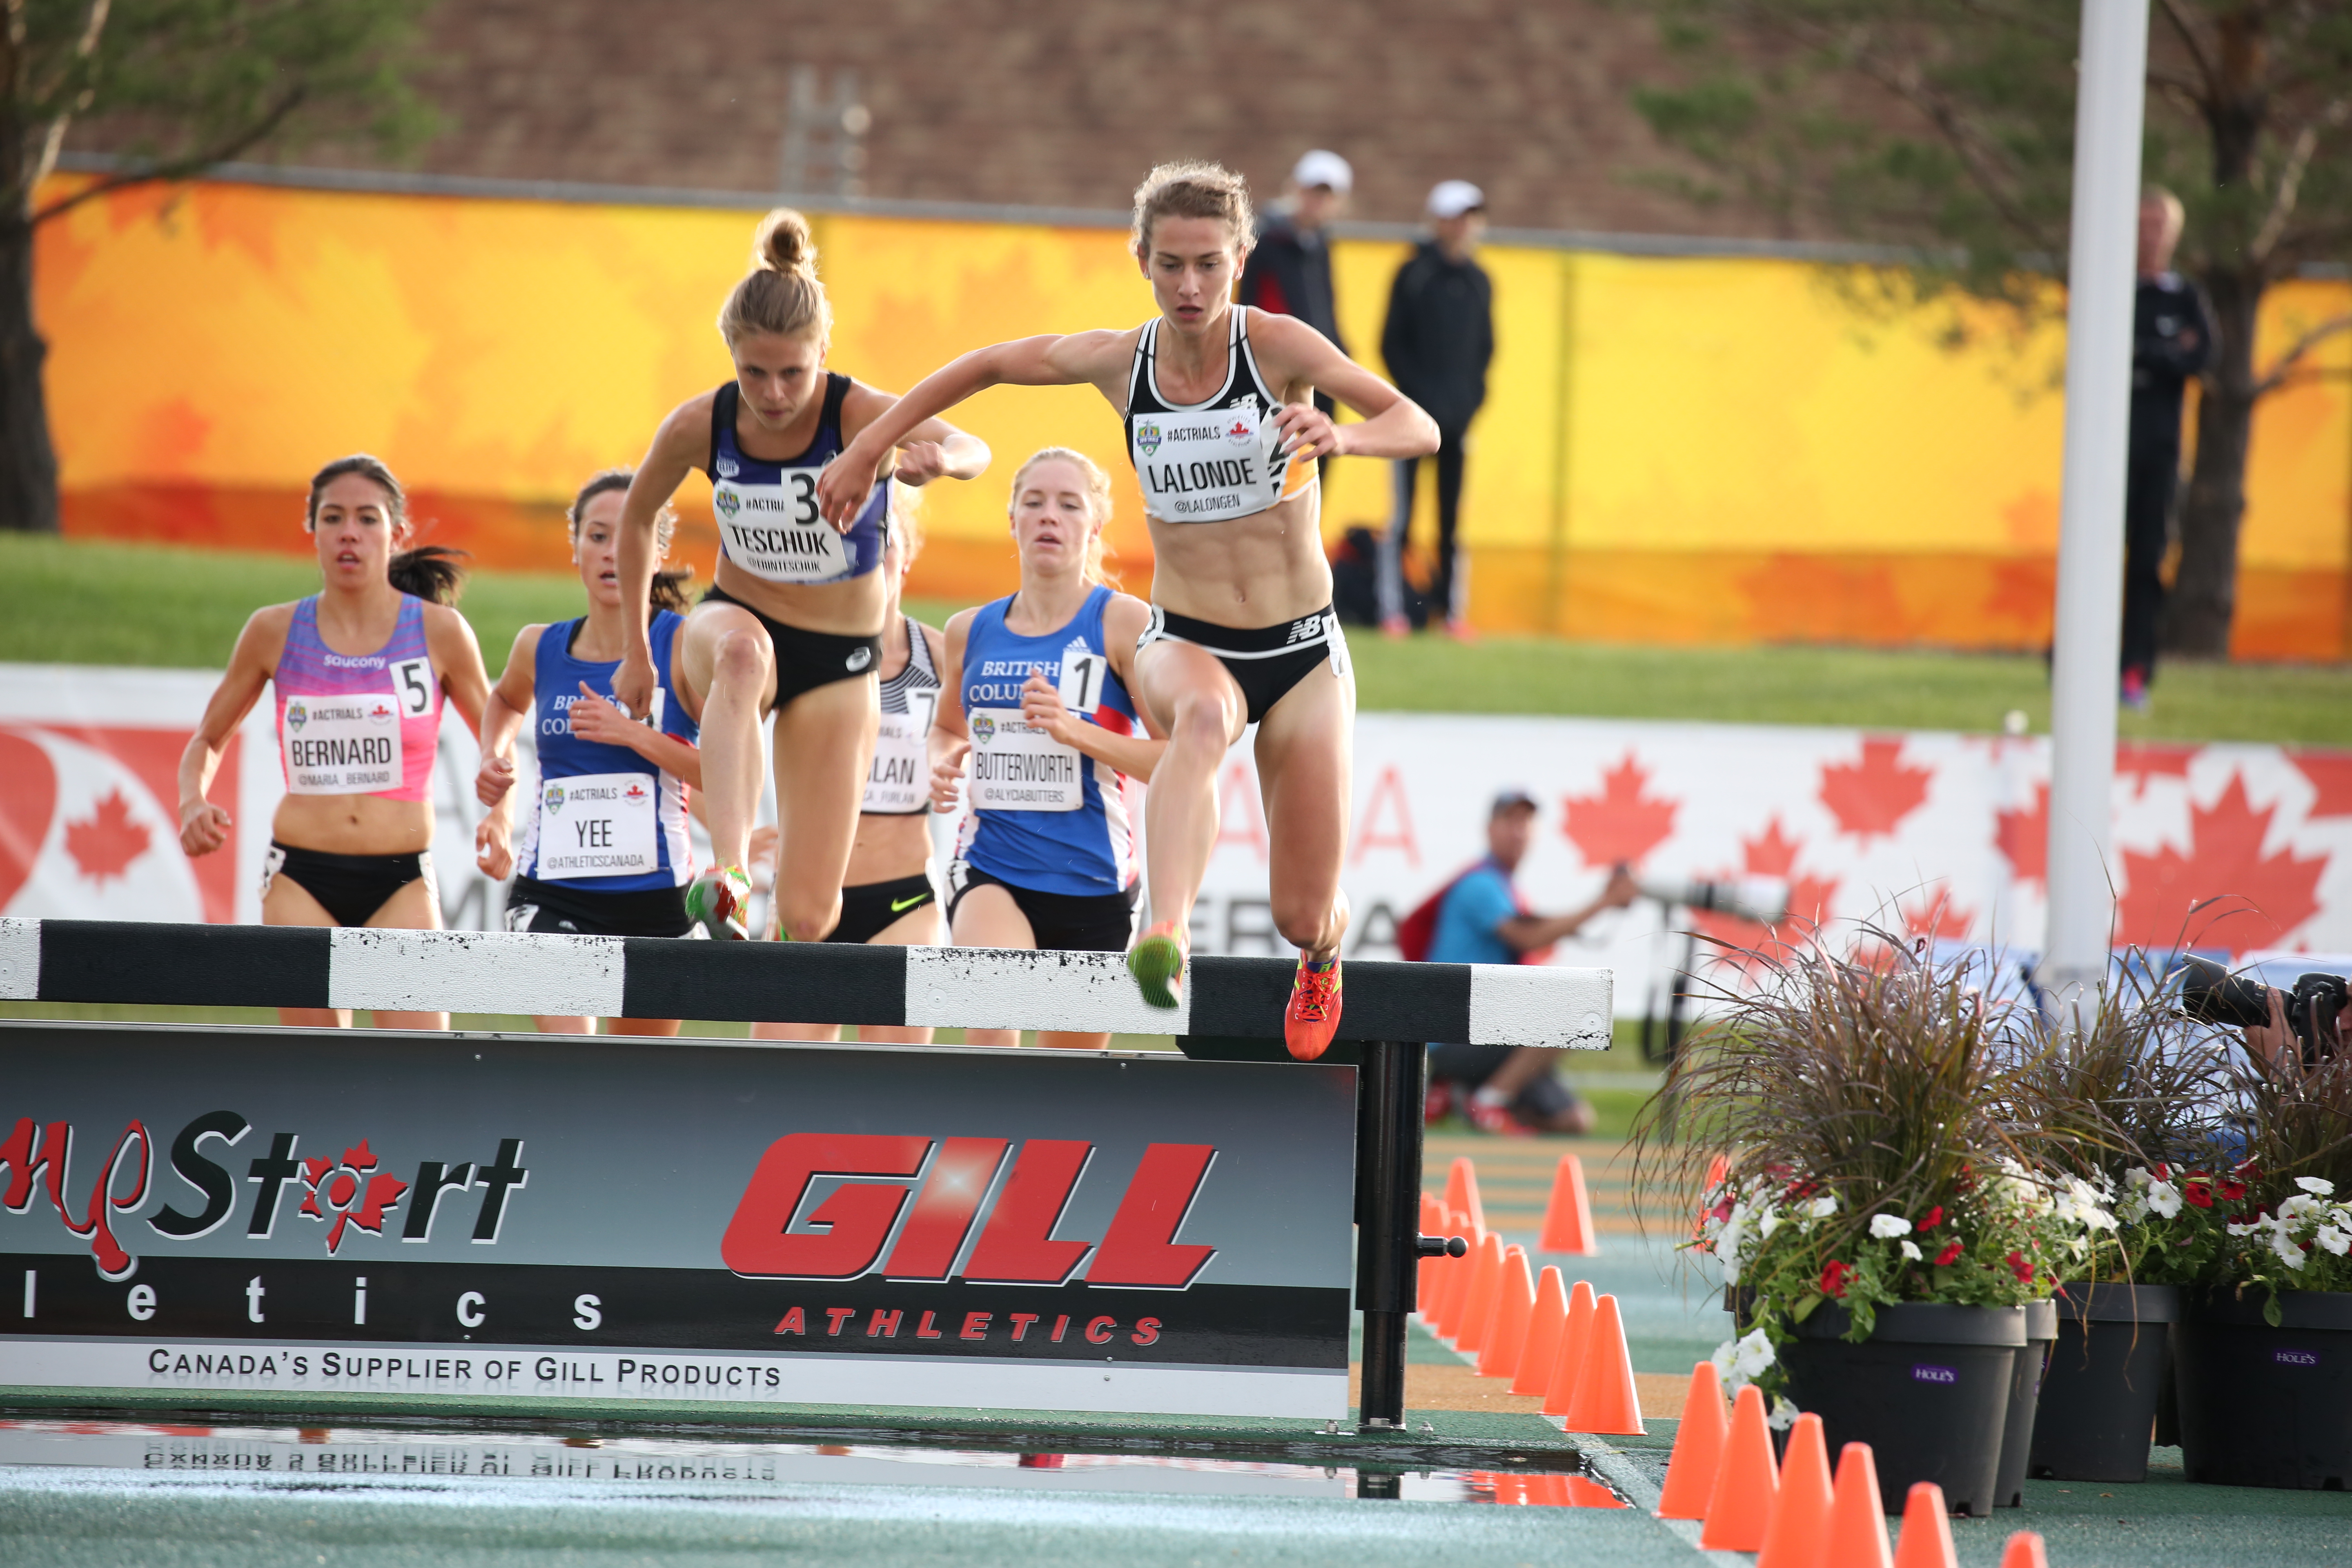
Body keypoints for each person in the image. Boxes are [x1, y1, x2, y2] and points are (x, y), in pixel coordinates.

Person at [817, 162, 1439, 1061]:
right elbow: (988, 364)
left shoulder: (1278, 348)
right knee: (1199, 721)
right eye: (1172, 266)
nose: (1191, 287)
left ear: (1241, 261)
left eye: (1210, 266)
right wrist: (871, 443)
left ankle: (1324, 951)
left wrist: (1344, 434)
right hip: (1188, 638)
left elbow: (1417, 424)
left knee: (1301, 909)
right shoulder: (1123, 363)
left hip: (1300, 649)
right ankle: (1170, 934)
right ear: (1142, 259)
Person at [608, 207, 989, 949]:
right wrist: (635, 649)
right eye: (754, 372)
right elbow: (635, 517)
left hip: (841, 657)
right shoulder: (701, 424)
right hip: (737, 622)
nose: (775, 394)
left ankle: (783, 981)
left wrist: (940, 459)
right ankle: (726, 877)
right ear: (731, 355)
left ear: (824, 354)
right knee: (745, 656)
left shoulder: (860, 413)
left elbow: (974, 445)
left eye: (793, 373)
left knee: (814, 919)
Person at [177, 455, 492, 1031]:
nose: (349, 532)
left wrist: (501, 811)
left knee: (421, 1067)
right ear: (313, 531)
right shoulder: (273, 631)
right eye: (333, 517)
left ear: (396, 535)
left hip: (400, 879)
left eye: (368, 519)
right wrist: (192, 801)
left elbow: (498, 734)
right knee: (316, 1070)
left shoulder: (440, 633)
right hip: (301, 877)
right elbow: (208, 738)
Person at [929, 449, 1164, 1050]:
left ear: (1096, 525)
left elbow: (1181, 760)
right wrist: (940, 760)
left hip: (1096, 885)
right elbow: (949, 729)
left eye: (1068, 505)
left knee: (1067, 1096)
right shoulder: (970, 631)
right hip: (992, 866)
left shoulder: (1123, 624)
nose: (1048, 518)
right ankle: (979, 1141)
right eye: (1033, 503)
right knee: (996, 1017)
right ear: (1012, 520)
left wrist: (1076, 731)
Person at [472, 469, 704, 1036]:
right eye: (598, 536)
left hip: (659, 900)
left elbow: (723, 775)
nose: (612, 553)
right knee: (572, 1066)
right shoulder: (540, 646)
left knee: (640, 1088)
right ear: (574, 546)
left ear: (659, 549)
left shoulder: (687, 646)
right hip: (554, 892)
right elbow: (504, 700)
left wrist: (633, 735)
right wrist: (493, 755)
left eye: (630, 536)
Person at [757, 485, 947, 1045]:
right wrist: (733, 839)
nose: (868, 557)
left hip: (904, 900)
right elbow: (720, 739)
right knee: (773, 1091)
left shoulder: (942, 657)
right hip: (807, 901)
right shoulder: (799, 655)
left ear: (905, 555)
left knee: (894, 1103)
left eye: (881, 542)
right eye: (852, 544)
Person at [1421, 789, 1637, 1134]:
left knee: (1574, 1122)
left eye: (1525, 823)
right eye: (1509, 820)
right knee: (1575, 1009)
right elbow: (1528, 936)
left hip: (1488, 1031)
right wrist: (1605, 902)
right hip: (1458, 1034)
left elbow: (1537, 927)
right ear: (1489, 828)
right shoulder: (1481, 883)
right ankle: (1488, 1102)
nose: (1517, 831)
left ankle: (1468, 1094)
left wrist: (1604, 903)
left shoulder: (1504, 887)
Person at [1378, 180, 1494, 641]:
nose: (1464, 227)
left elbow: (1486, 350)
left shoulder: (1480, 280)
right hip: (1413, 422)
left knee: (1451, 518)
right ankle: (1394, 612)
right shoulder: (1413, 274)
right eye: (1456, 217)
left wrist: (1469, 403)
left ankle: (1451, 612)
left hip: (1459, 422)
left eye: (1471, 217)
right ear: (1438, 221)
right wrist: (1417, 403)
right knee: (1403, 516)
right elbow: (1393, 346)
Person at [2121, 186, 2214, 710]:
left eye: (2160, 226)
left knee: (2148, 560)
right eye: (2143, 224)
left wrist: (2145, 355)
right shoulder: (2112, 289)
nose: (2151, 235)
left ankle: (2135, 671)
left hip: (2160, 449)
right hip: (2109, 449)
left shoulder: (2185, 299)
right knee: (2093, 559)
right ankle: (2070, 662)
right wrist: (2165, 353)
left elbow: (2203, 355)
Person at [1240, 149, 1352, 488]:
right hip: (1278, 374)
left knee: (1317, 464)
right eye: (1312, 191)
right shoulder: (1266, 242)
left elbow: (1327, 309)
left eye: (1326, 195)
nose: (1317, 202)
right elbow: (1251, 307)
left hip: (1320, 370)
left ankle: (1306, 538)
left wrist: (1341, 354)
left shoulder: (1320, 245)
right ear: (1295, 189)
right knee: (1273, 462)